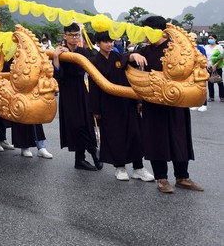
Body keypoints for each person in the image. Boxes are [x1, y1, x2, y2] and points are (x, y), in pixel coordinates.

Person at [125, 16, 203, 193]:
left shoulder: (177, 48)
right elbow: (123, 62)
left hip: (177, 102)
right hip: (154, 104)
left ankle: (182, 177)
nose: (144, 35)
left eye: (146, 31)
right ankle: (161, 178)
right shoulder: (144, 51)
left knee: (180, 138)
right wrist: (132, 55)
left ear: (156, 31)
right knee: (156, 139)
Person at [89, 32, 153, 182]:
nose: (109, 44)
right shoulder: (94, 62)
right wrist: (96, 109)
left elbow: (132, 77)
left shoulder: (119, 58)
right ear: (97, 43)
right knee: (115, 136)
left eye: (111, 41)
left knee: (135, 134)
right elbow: (93, 87)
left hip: (128, 102)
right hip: (108, 105)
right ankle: (120, 167)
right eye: (105, 42)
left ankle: (139, 168)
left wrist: (138, 101)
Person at [53, 23, 101, 171]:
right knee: (75, 125)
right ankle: (93, 153)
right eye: (72, 35)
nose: (75, 38)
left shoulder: (83, 52)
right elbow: (58, 76)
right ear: (65, 36)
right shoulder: (59, 52)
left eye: (77, 35)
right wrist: (56, 57)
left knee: (86, 123)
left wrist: (70, 56)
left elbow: (82, 71)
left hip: (81, 89)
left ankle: (80, 159)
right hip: (68, 92)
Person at [204, 34, 223, 104]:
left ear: (215, 39)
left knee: (219, 81)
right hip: (209, 67)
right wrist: (207, 64)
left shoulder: (219, 47)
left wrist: (216, 65)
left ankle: (222, 97)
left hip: (217, 67)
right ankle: (211, 97)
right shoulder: (206, 47)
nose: (210, 39)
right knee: (210, 82)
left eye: (211, 38)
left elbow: (221, 57)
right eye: (209, 38)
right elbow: (204, 56)